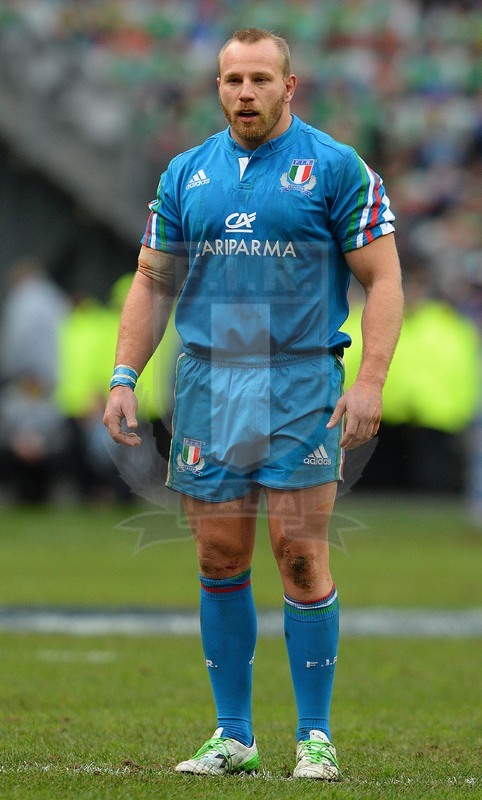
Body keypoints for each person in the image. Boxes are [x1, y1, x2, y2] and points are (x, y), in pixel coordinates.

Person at [103, 28, 403, 781]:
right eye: (232, 79)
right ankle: (232, 736)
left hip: (299, 378)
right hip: (211, 377)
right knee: (218, 554)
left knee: (300, 555)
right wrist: (122, 376)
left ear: (289, 86)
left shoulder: (335, 168)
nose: (245, 92)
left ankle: (315, 738)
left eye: (260, 79)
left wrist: (368, 382)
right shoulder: (185, 173)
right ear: (217, 87)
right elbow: (151, 281)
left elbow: (386, 279)